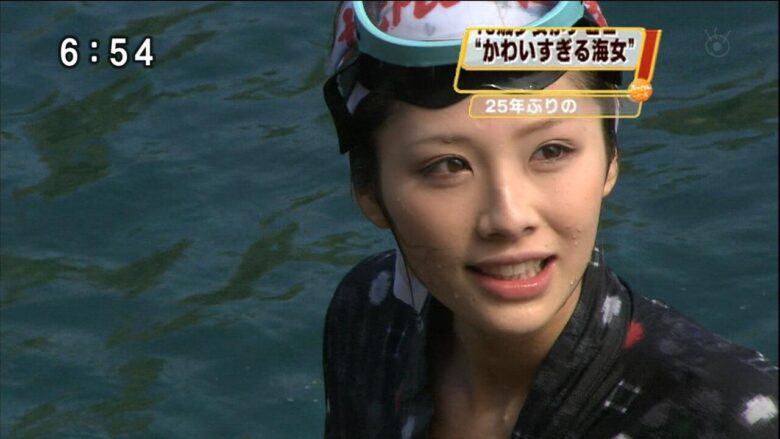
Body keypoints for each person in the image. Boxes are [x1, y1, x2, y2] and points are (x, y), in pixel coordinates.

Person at [321, 2, 779, 438]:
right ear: (368, 189)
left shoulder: (732, 419)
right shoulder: (371, 313)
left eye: (551, 151)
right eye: (448, 165)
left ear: (611, 158)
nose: (509, 218)